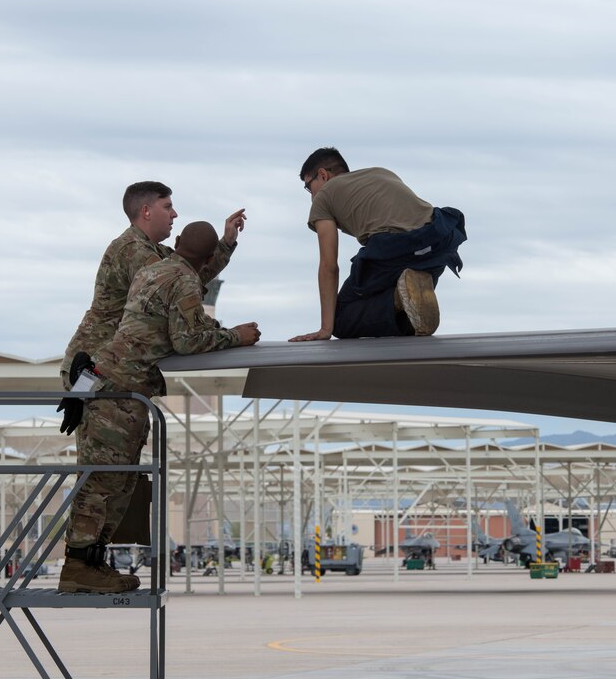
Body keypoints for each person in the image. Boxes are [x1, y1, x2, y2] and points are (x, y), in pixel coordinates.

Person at [58, 221, 261, 593]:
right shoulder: (182, 281)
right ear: (203, 262)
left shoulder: (152, 268)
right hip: (117, 392)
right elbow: (187, 340)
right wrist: (237, 336)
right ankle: (77, 568)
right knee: (102, 482)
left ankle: (91, 565)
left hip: (104, 382)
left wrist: (226, 243)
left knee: (117, 482)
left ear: (178, 242)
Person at [57, 180, 246, 422]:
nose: (174, 214)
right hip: (102, 369)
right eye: (167, 207)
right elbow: (183, 281)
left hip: (109, 369)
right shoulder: (134, 250)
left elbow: (192, 270)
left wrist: (226, 243)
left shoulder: (152, 251)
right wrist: (232, 335)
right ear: (146, 211)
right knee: (110, 454)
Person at [290, 147, 467, 342]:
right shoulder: (380, 172)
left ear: (322, 175)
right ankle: (409, 305)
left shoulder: (324, 197)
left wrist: (325, 329)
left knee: (340, 318)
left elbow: (328, 266)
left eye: (308, 187)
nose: (311, 195)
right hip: (440, 239)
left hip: (396, 246)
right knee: (403, 300)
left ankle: (400, 298)